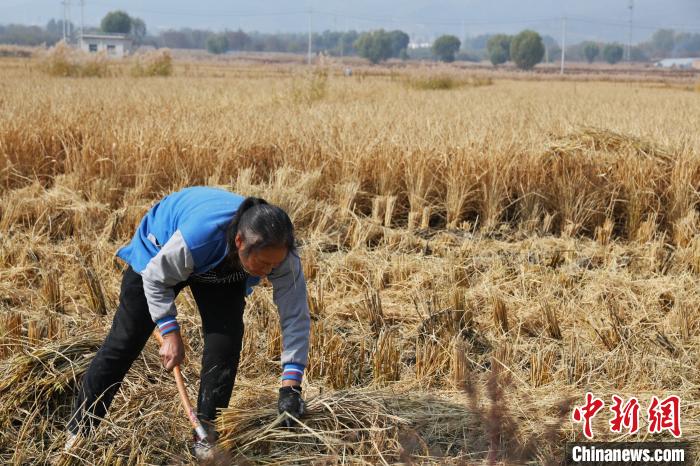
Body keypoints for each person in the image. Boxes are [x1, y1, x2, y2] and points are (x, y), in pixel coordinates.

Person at [66, 186, 310, 459]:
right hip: (159, 250)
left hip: (223, 268)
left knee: (225, 343)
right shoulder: (199, 237)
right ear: (240, 241)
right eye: (263, 264)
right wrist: (170, 332)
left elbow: (295, 314)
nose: (268, 272)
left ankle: (205, 437)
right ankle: (79, 433)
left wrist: (292, 384)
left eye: (273, 267)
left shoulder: (282, 256)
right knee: (125, 341)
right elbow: (156, 278)